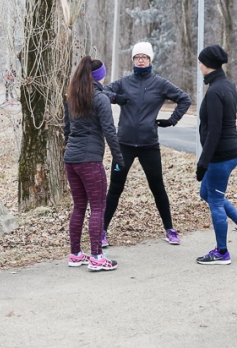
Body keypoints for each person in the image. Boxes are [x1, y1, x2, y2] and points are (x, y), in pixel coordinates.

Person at [102, 42, 191, 246]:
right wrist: (116, 97)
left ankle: (169, 229)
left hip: (149, 144)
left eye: (144, 57)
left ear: (150, 60)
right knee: (115, 188)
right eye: (137, 57)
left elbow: (184, 99)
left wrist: (171, 120)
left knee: (157, 187)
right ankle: (102, 232)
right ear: (133, 60)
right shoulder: (124, 82)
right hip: (123, 144)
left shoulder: (160, 84)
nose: (140, 60)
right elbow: (99, 91)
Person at [194, 45, 237, 265]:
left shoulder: (215, 92)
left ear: (206, 64)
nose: (199, 65)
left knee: (216, 202)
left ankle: (222, 252)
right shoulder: (226, 85)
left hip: (221, 156)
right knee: (208, 193)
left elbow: (215, 131)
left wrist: (203, 162)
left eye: (200, 61)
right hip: (228, 151)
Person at [63, 57, 124, 271]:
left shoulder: (72, 97)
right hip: (90, 160)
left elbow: (67, 130)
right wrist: (119, 158)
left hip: (71, 160)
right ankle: (97, 257)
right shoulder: (100, 99)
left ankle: (75, 254)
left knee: (79, 206)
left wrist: (71, 151)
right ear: (100, 76)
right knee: (98, 206)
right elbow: (110, 131)